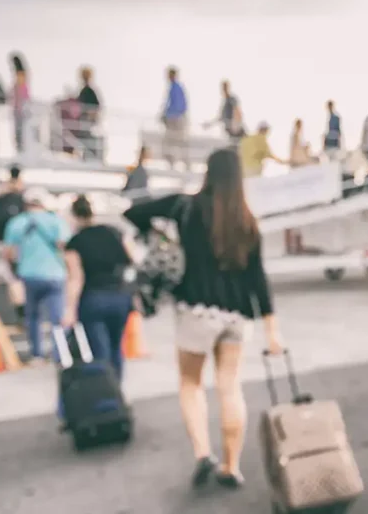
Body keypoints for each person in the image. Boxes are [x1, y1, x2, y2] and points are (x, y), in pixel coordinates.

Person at [122, 148, 284, 490]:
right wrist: (272, 329)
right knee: (230, 387)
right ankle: (231, 466)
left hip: (195, 311)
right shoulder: (246, 220)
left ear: (208, 173)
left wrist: (161, 234)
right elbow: (258, 279)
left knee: (191, 384)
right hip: (237, 317)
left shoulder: (185, 207)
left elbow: (132, 212)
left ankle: (202, 453)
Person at [61, 195, 135, 381]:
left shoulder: (75, 242)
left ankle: (106, 394)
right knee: (116, 347)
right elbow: (132, 258)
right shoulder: (114, 232)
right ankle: (117, 390)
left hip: (93, 299)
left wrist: (69, 309)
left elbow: (76, 278)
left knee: (100, 351)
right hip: (120, 296)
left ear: (74, 215)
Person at [3, 188, 72, 363]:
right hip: (56, 274)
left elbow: (9, 253)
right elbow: (66, 248)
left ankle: (37, 354)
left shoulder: (16, 223)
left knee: (33, 316)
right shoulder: (57, 221)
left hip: (29, 275)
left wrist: (14, 272)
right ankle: (60, 354)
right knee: (57, 317)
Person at [161, 66, 189, 168]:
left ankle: (182, 163)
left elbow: (178, 106)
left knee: (175, 141)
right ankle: (172, 162)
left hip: (176, 120)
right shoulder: (173, 87)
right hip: (175, 119)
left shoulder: (176, 88)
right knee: (171, 141)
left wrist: (168, 115)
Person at [203, 79, 245, 144]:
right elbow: (221, 117)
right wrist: (210, 124)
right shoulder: (225, 101)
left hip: (235, 129)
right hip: (229, 130)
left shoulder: (231, 99)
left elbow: (237, 110)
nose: (224, 89)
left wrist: (236, 124)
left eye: (225, 87)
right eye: (223, 87)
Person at [75, 66, 103, 161]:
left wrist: (90, 115)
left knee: (87, 140)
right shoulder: (85, 90)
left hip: (87, 122)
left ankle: (89, 157)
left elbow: (96, 107)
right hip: (85, 122)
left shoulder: (89, 91)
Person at [10, 53, 31, 153]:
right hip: (19, 107)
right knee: (19, 130)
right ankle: (20, 148)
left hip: (19, 109)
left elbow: (21, 93)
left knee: (19, 131)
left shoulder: (21, 76)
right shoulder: (23, 76)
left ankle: (20, 149)